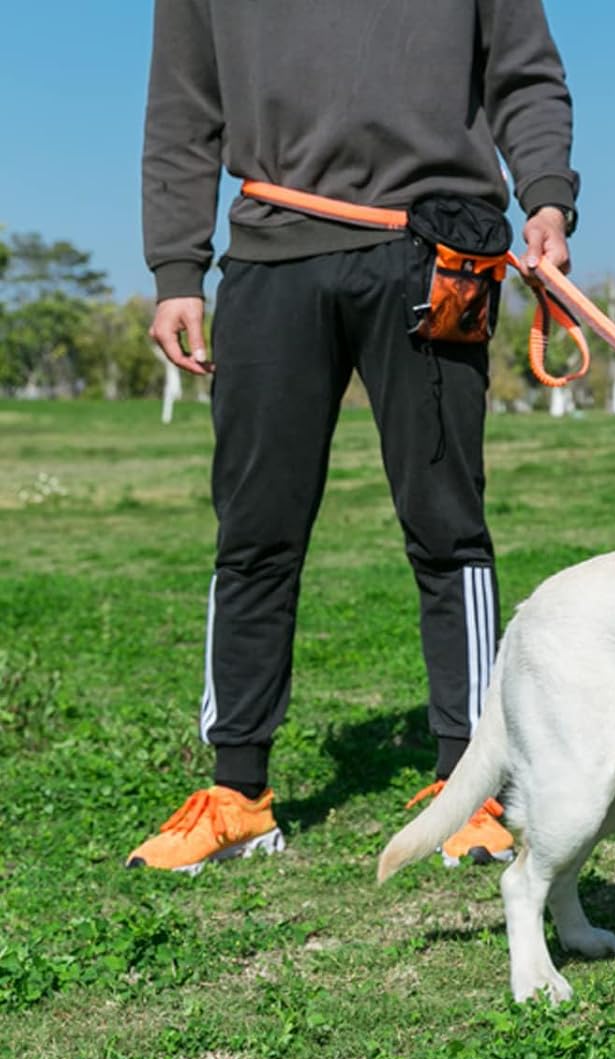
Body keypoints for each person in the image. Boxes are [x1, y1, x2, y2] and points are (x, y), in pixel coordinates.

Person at [130, 0, 578, 872]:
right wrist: (175, 266)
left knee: (449, 528)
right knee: (254, 532)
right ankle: (237, 796)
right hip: (268, 256)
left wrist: (548, 195)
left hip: (433, 254)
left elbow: (525, 73)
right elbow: (181, 109)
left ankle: (470, 785)